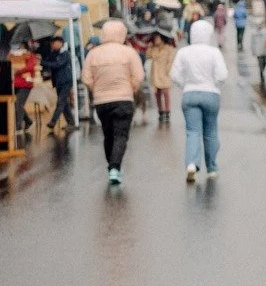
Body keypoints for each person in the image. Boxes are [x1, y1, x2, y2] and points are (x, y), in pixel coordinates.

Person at [81, 18, 145, 184]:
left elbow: (86, 78)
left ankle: (112, 165)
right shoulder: (129, 52)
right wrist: (131, 88)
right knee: (121, 134)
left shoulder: (94, 53)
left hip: (102, 101)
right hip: (124, 99)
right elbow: (139, 76)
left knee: (108, 134)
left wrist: (96, 89)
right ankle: (115, 167)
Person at [171, 20, 229, 181]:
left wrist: (185, 85)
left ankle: (191, 164)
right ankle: (211, 167)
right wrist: (215, 85)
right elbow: (222, 75)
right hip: (211, 94)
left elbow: (174, 74)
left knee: (192, 132)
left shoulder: (184, 52)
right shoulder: (214, 52)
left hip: (190, 93)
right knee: (210, 132)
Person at [37, 34, 78, 136]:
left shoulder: (65, 54)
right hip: (58, 82)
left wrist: (42, 62)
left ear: (61, 43)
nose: (54, 45)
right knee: (64, 104)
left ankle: (53, 122)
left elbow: (57, 65)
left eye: (55, 43)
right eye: (53, 43)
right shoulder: (53, 54)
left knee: (61, 102)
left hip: (66, 81)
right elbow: (48, 61)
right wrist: (40, 58)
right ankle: (71, 123)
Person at [146, 28, 176, 124]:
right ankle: (161, 111)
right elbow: (148, 56)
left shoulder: (168, 48)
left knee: (166, 93)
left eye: (157, 38)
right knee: (157, 94)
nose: (155, 40)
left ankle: (167, 111)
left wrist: (167, 71)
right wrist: (149, 47)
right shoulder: (153, 48)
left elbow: (170, 61)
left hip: (164, 74)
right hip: (155, 74)